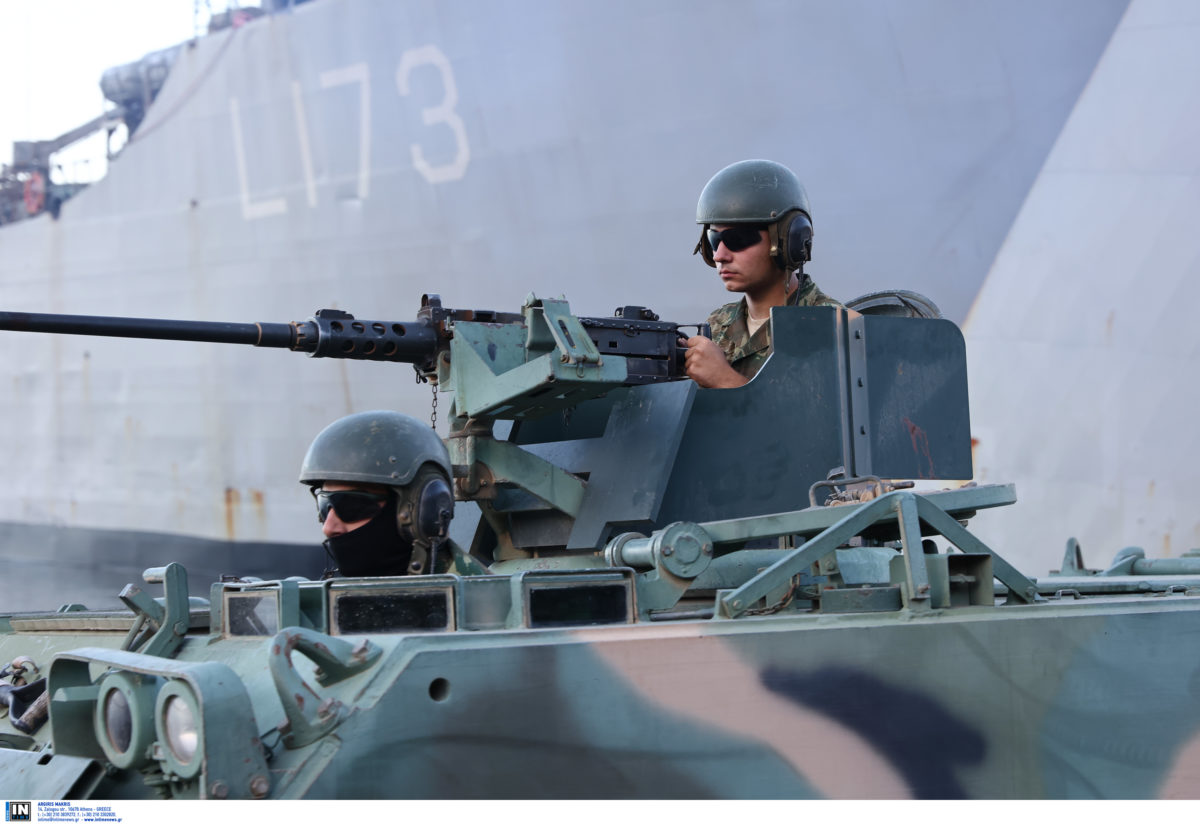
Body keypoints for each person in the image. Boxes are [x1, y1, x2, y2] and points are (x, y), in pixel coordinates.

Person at [685, 159, 842, 388]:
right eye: (714, 239)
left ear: (789, 241)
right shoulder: (718, 325)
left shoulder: (835, 328)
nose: (719, 255)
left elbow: (822, 411)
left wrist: (725, 379)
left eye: (737, 239)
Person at [298, 410, 490, 577]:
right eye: (324, 506)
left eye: (351, 506)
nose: (328, 528)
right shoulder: (330, 598)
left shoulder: (483, 602)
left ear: (424, 512)